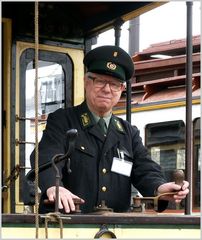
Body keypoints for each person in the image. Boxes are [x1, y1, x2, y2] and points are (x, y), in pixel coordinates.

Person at [30, 45, 189, 214]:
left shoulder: (129, 132)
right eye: (100, 81)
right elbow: (47, 157)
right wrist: (54, 187)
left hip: (116, 229)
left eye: (114, 84)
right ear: (86, 81)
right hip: (67, 226)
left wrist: (160, 187)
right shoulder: (62, 120)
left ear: (121, 89)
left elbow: (144, 169)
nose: (107, 89)